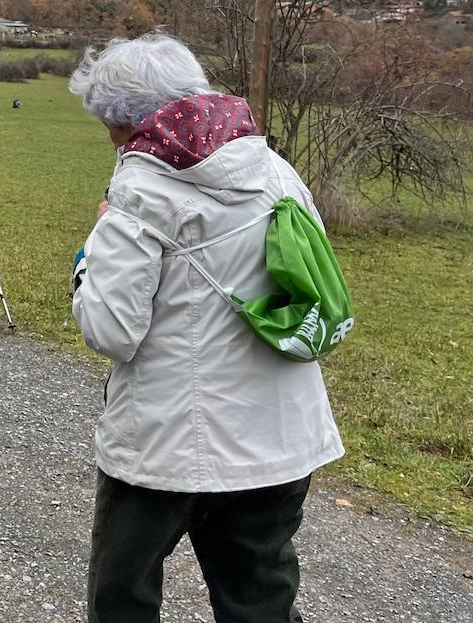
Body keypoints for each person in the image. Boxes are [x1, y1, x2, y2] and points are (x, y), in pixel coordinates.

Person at [67, 33, 343, 623]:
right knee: (260, 598)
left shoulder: (140, 189)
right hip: (277, 437)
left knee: (124, 596)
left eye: (109, 125)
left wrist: (89, 258)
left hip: (166, 445)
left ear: (129, 120)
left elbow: (111, 329)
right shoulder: (272, 167)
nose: (110, 140)